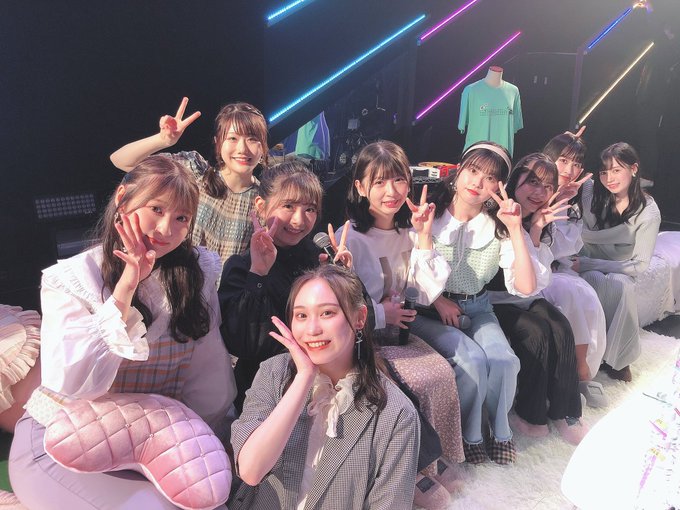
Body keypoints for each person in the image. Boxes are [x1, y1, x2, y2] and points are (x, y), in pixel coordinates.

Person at [9, 155, 236, 509]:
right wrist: (125, 291)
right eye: (156, 209)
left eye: (181, 218)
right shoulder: (74, 279)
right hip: (62, 441)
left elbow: (207, 375)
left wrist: (210, 449)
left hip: (154, 444)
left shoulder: (196, 273)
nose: (166, 229)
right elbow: (72, 386)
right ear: (123, 198)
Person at [229, 264, 419, 510]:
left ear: (360, 318)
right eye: (301, 316)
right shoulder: (273, 373)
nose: (312, 329)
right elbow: (251, 470)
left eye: (327, 313)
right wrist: (304, 378)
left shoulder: (396, 414)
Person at [340, 140, 464, 507]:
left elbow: (426, 293)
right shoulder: (351, 237)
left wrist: (424, 236)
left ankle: (433, 457)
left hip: (400, 334)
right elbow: (343, 304)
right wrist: (382, 314)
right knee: (394, 387)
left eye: (398, 180)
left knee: (440, 373)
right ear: (361, 187)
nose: (391, 191)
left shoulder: (409, 231)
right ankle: (409, 469)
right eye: (379, 182)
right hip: (363, 340)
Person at [410, 141, 533, 465]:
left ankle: (501, 430)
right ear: (460, 170)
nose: (478, 182)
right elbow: (409, 276)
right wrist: (439, 301)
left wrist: (516, 230)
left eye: (490, 177)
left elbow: (525, 286)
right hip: (427, 310)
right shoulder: (430, 213)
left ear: (499, 186)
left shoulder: (498, 225)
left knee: (504, 360)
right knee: (473, 361)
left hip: (477, 307)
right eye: (473, 170)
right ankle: (471, 433)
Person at [218, 160, 351, 410]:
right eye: (288, 206)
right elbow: (244, 344)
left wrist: (345, 280)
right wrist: (258, 274)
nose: (299, 220)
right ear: (261, 206)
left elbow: (359, 325)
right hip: (267, 393)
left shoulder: (319, 260)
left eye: (310, 209)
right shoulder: (241, 268)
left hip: (328, 385)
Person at [487, 153, 587, 445]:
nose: (540, 192)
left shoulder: (538, 217)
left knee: (560, 326)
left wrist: (535, 229)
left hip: (523, 296)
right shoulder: (495, 216)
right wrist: (525, 229)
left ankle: (565, 410)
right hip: (493, 300)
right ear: (514, 180)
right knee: (536, 332)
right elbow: (519, 283)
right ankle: (529, 413)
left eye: (547, 186)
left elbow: (534, 282)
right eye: (532, 182)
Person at [110, 98, 268, 266]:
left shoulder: (263, 201)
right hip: (172, 277)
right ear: (218, 143)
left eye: (252, 139)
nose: (242, 149)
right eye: (233, 138)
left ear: (263, 147)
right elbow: (121, 161)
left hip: (223, 284)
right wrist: (162, 140)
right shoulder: (193, 171)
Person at [575, 142, 662, 382]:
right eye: (604, 172)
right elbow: (571, 173)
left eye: (616, 170)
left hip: (621, 267)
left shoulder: (647, 211)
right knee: (592, 280)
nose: (609, 178)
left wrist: (588, 264)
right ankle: (588, 354)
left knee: (619, 284)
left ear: (634, 169)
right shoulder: (592, 192)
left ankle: (619, 359)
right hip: (585, 259)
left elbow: (640, 265)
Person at [541, 133, 608, 407]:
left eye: (577, 163)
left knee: (588, 296)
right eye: (563, 160)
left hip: (559, 268)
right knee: (568, 291)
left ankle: (585, 372)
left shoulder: (575, 200)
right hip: (535, 271)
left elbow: (568, 246)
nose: (570, 169)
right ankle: (578, 369)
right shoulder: (534, 191)